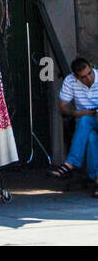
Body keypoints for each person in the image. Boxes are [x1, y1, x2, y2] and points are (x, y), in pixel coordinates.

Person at [50, 56, 98, 195]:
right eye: (83, 77)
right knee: (91, 136)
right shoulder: (70, 81)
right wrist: (77, 113)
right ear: (76, 77)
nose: (89, 78)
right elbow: (63, 107)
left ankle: (70, 163)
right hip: (86, 122)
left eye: (90, 73)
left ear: (91, 68)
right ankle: (97, 180)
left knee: (85, 122)